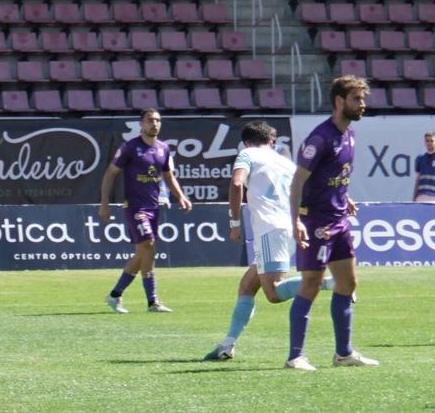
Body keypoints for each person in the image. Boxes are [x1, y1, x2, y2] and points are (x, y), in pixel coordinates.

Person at [286, 75, 377, 370]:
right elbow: (297, 182)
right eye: (356, 99)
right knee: (311, 284)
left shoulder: (349, 134)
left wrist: (345, 195)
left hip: (339, 221)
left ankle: (344, 353)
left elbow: (334, 175)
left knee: (348, 283)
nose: (362, 105)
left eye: (363, 99)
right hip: (316, 222)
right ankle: (295, 356)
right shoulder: (319, 138)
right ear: (340, 101)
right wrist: (296, 221)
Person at [205, 121, 312, 362]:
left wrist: (234, 223)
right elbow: (302, 192)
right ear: (271, 140)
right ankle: (227, 345)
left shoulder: (247, 154)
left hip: (270, 229)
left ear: (246, 142)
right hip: (287, 227)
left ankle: (327, 282)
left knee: (273, 293)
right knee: (247, 286)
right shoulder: (285, 161)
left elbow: (236, 183)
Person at [99, 108, 195, 314]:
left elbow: (169, 177)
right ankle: (152, 301)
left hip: (154, 207)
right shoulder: (130, 148)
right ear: (141, 124)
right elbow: (110, 173)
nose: (155, 124)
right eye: (150, 120)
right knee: (149, 246)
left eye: (158, 120)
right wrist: (104, 204)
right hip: (134, 207)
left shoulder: (163, 149)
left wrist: (181, 197)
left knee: (143, 254)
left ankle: (115, 295)